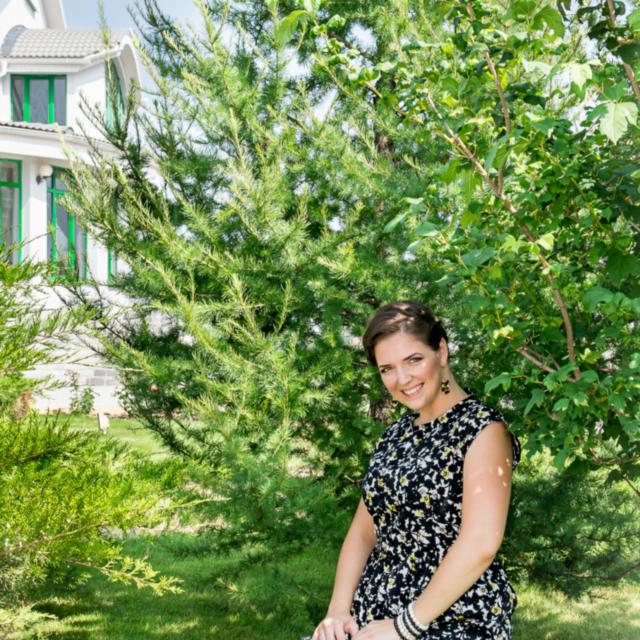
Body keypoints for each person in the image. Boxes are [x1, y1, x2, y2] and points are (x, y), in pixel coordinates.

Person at [304, 301, 521, 640]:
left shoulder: (483, 430)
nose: (402, 379)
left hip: (451, 619)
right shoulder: (395, 435)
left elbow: (480, 543)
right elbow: (363, 533)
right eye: (387, 368)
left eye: (414, 360)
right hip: (373, 620)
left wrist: (403, 627)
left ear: (441, 351)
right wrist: (338, 611)